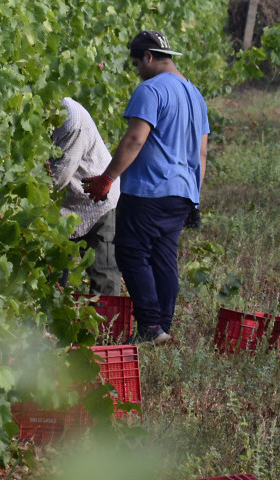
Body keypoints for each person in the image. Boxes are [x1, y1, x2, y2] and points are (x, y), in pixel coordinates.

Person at [83, 30, 209, 345]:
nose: (138, 70)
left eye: (137, 63)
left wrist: (107, 178)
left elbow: (135, 138)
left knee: (129, 251)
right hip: (182, 192)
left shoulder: (151, 90)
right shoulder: (195, 95)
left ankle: (150, 325)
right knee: (164, 257)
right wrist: (194, 197)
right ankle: (160, 329)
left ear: (149, 57)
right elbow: (202, 153)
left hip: (149, 190)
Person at [51, 97, 122, 296]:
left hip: (97, 200)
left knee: (104, 273)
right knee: (52, 270)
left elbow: (59, 175)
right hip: (63, 203)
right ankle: (48, 323)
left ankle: (107, 324)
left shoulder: (71, 119)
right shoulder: (32, 111)